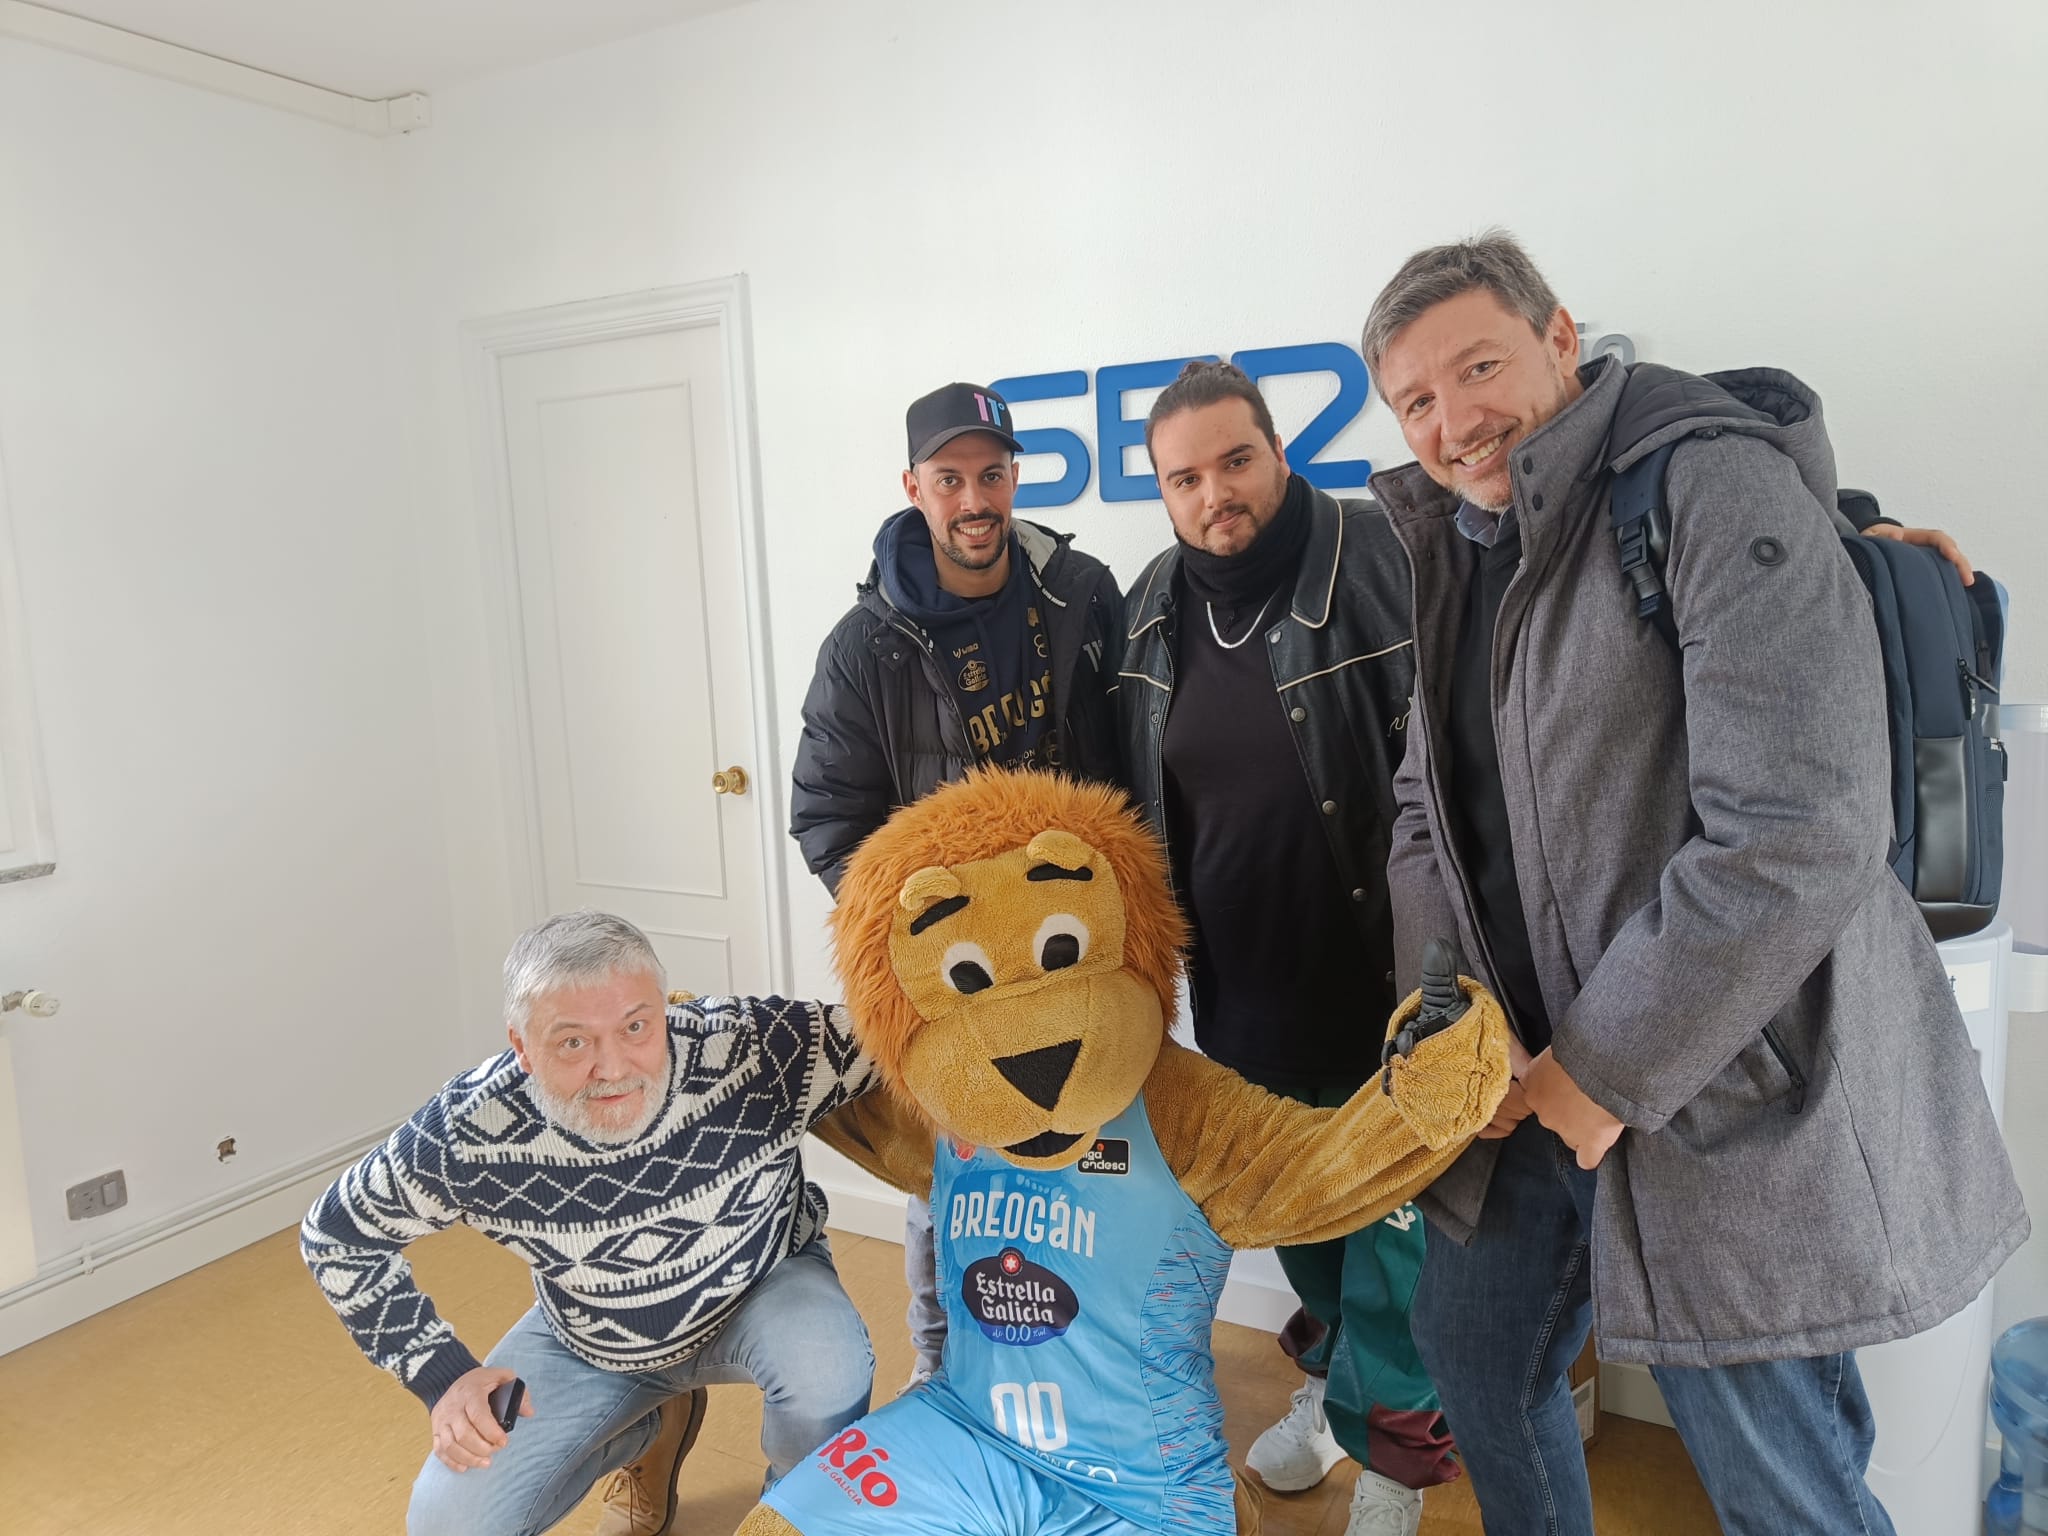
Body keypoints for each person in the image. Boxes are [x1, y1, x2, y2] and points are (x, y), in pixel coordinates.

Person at [1361, 230, 2027, 1536]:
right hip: (1522, 1082)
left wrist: (1603, 1069)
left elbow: (1797, 825)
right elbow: (1422, 810)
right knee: (1482, 1357)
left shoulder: (1708, 485)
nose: (1454, 420)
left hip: (1719, 1079)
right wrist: (1451, 1029)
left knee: (1779, 1478)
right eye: (1416, 401)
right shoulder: (1455, 545)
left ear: (1562, 340)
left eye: (1479, 366)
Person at [1117, 360, 1450, 1536]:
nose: (1216, 494)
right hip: (1240, 995)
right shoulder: (1151, 603)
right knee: (1302, 1226)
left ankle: (1393, 1467)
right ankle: (1324, 1392)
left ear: (1278, 448)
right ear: (1161, 491)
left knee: (1396, 1258)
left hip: (1387, 984)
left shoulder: (1385, 555)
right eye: (1185, 477)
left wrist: (1861, 530)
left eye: (1234, 460)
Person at [302, 910, 880, 1536]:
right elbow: (335, 1235)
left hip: (765, 1285)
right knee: (448, 1524)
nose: (613, 1067)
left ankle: (794, 1518)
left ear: (663, 1010)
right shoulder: (468, 1128)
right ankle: (652, 1431)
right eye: (573, 1041)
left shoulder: (755, 1045)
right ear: (521, 1046)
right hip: (592, 1338)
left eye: (636, 1026)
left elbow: (910, 1038)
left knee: (829, 1372)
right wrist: (441, 1374)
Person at [789, 380, 1124, 1387]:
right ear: (913, 487)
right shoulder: (864, 648)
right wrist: (924, 935)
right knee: (952, 1185)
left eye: (990, 474)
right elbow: (825, 820)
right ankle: (944, 1380)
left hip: (1079, 962)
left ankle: (1088, 1383)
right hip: (960, 984)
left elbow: (1135, 768)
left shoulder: (1083, 594)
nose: (973, 499)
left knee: (1100, 1172)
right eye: (949, 479)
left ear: (1015, 477)